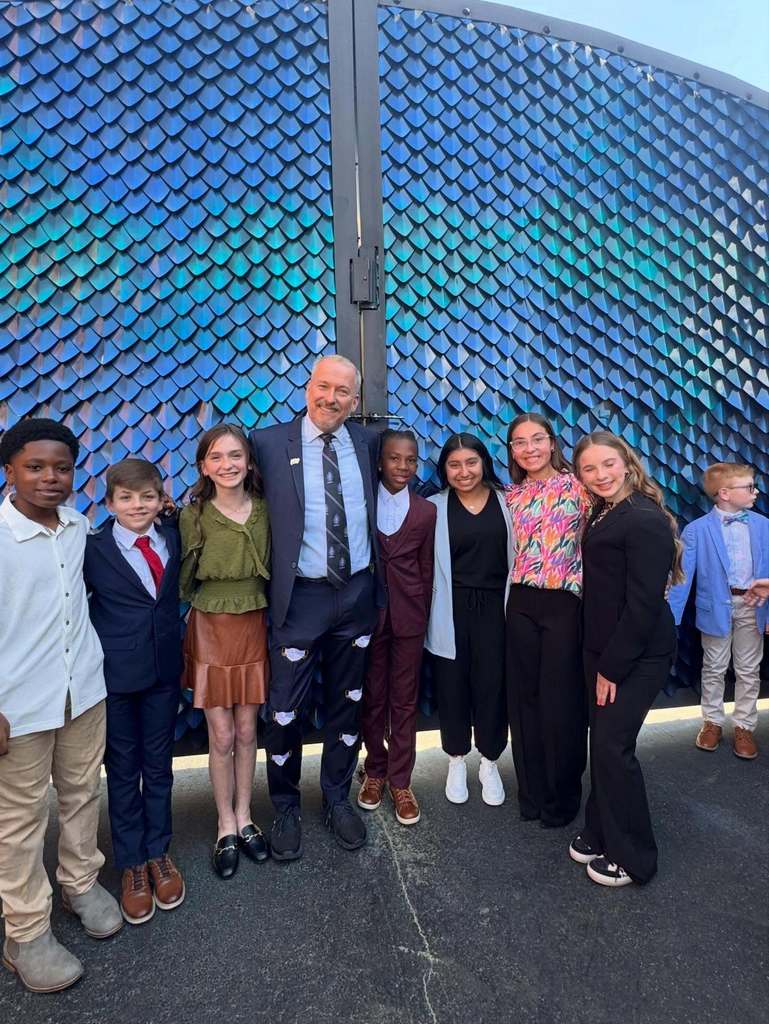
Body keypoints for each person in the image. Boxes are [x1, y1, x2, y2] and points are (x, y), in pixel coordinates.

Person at [0, 418, 122, 994]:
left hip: (83, 691)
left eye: (62, 467)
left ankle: (80, 883)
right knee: (19, 820)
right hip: (17, 705)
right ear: (10, 471)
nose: (50, 477)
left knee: (81, 793)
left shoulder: (78, 527)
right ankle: (25, 932)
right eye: (35, 467)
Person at [249, 355, 382, 860]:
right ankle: (285, 806)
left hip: (356, 593)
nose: (331, 398)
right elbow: (231, 494)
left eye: (342, 391)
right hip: (299, 597)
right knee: (285, 710)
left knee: (348, 703)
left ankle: (336, 798)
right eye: (323, 387)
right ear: (308, 388)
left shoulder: (368, 443)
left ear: (355, 399)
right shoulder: (266, 443)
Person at [569, 431, 682, 887]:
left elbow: (643, 604)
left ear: (627, 462)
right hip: (605, 647)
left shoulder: (643, 518)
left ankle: (634, 858)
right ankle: (601, 830)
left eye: (608, 464)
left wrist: (611, 667)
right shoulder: (605, 510)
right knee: (603, 745)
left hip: (636, 654)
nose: (601, 475)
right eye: (589, 468)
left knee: (613, 748)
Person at [83, 459, 185, 925]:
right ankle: (132, 864)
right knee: (123, 771)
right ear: (109, 503)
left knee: (159, 766)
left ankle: (159, 851)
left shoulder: (172, 537)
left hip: (164, 673)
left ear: (161, 499)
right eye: (126, 498)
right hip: (116, 677)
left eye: (147, 496)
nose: (137, 505)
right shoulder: (93, 549)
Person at [179, 424, 271, 879]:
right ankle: (224, 824)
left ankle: (246, 814)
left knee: (248, 729)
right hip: (210, 626)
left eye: (235, 455)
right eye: (215, 457)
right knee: (221, 735)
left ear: (249, 462)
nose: (227, 464)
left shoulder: (267, 509)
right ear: (203, 466)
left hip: (254, 622)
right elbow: (182, 576)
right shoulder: (192, 514)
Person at [505, 413, 591, 828]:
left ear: (552, 443)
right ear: (512, 451)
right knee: (525, 701)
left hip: (564, 602)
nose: (530, 449)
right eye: (520, 443)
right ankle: (532, 793)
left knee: (562, 702)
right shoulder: (510, 496)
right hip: (521, 601)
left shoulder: (581, 488)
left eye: (537, 439)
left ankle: (562, 797)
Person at [426, 433, 514, 806]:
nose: (464, 472)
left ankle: (490, 762)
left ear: (484, 463)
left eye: (471, 462)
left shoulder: (509, 502)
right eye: (454, 464)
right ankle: (456, 759)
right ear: (444, 469)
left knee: (493, 685)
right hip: (450, 608)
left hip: (497, 608)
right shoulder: (433, 507)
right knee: (452, 686)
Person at [358, 430, 436, 825]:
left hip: (409, 617)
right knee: (372, 697)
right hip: (369, 616)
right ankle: (375, 770)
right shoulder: (362, 503)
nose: (403, 466)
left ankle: (401, 780)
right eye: (394, 458)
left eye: (410, 459)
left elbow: (426, 568)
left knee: (404, 700)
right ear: (379, 461)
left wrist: (422, 615)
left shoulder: (426, 511)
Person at [667, 463, 769, 759]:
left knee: (749, 669)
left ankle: (744, 726)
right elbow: (683, 576)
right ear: (724, 493)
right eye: (749, 487)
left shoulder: (764, 525)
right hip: (714, 609)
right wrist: (670, 617)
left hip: (754, 605)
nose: (755, 492)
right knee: (713, 667)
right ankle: (712, 721)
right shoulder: (697, 530)